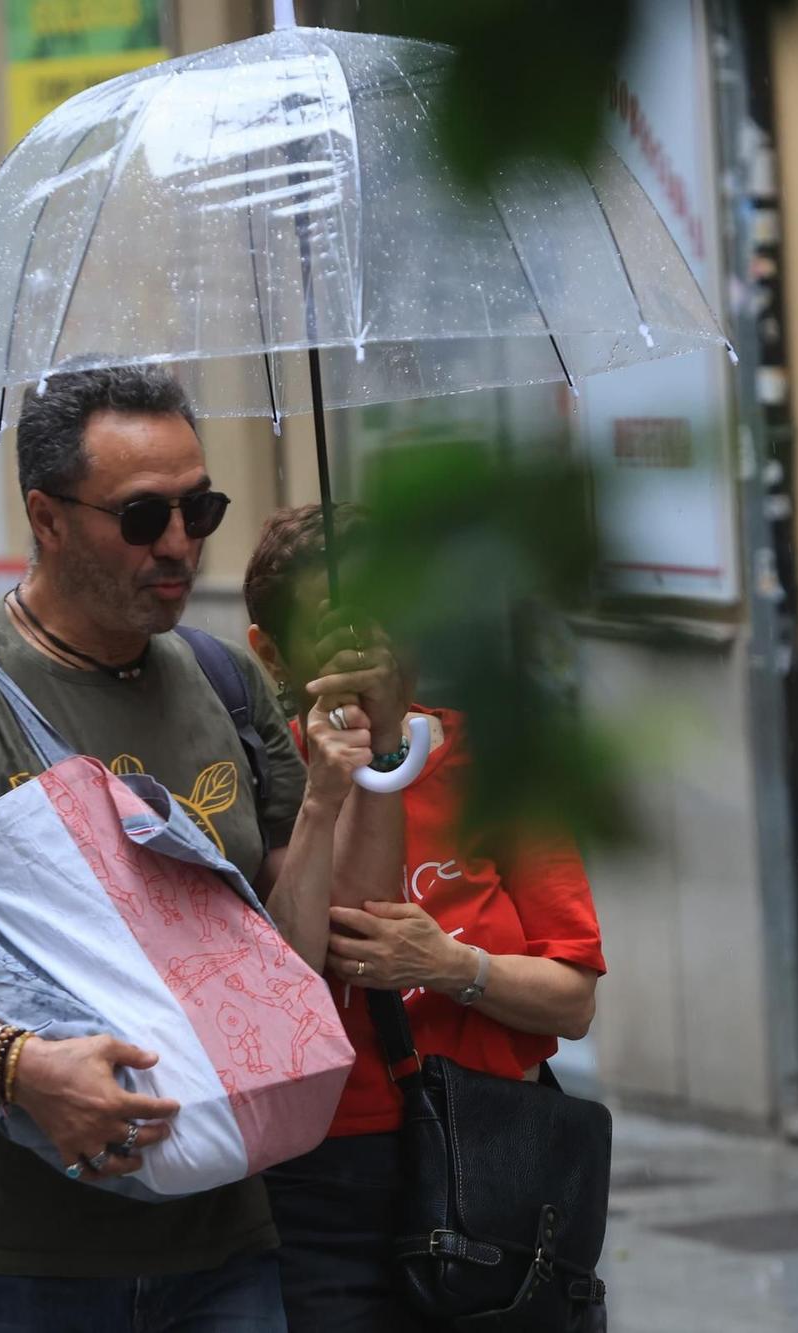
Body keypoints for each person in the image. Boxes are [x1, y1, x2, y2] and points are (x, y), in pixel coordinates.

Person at [0, 366, 396, 1332]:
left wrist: (345, 783)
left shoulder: (223, 680)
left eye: (198, 509)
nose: (178, 545)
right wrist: (21, 1065)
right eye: (141, 518)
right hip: (2, 1250)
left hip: (219, 1229)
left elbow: (304, 958)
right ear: (46, 518)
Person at [242, 503, 608, 1333]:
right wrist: (332, 790)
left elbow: (573, 998)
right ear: (271, 652)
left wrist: (451, 966)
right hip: (323, 1172)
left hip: (490, 1153)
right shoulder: (265, 777)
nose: (368, 648)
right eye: (333, 629)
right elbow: (281, 988)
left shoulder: (495, 770)